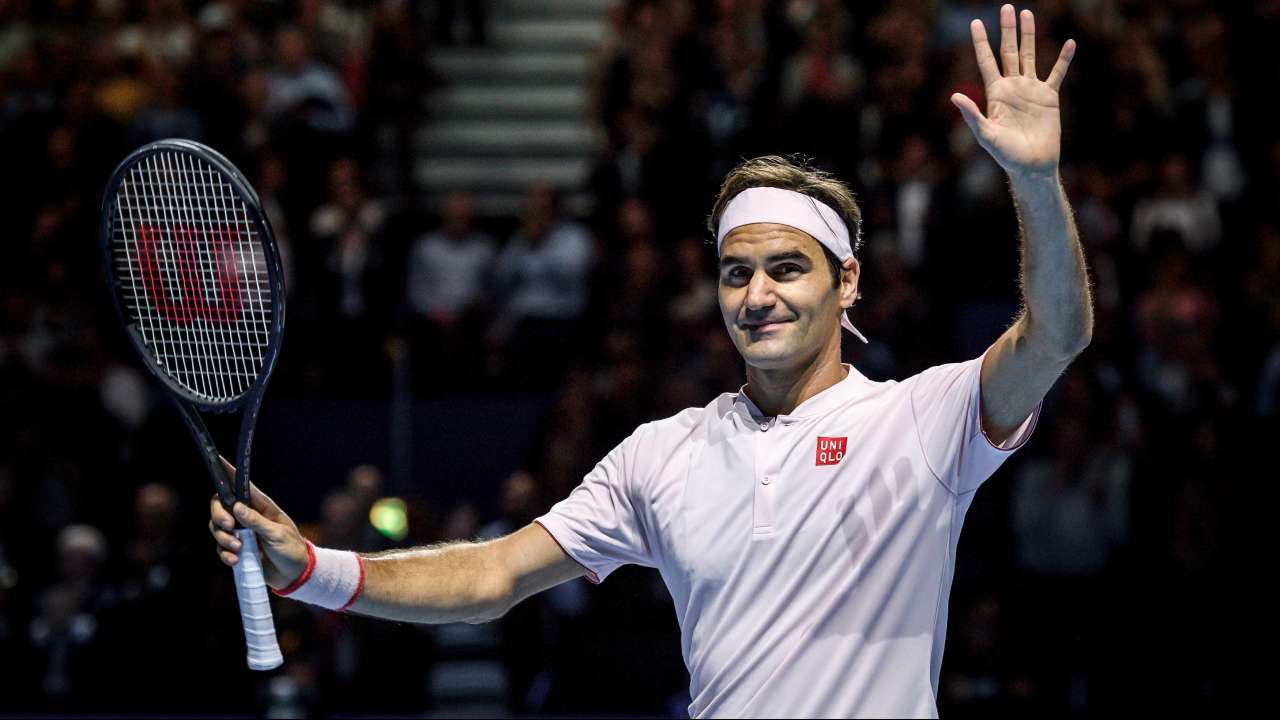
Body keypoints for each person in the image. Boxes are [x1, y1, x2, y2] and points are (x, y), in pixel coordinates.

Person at [209, 6, 1090, 716]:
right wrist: (313, 572)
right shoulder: (660, 454)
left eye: (788, 268)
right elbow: (494, 574)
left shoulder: (922, 420)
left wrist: (1036, 183)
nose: (757, 294)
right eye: (736, 272)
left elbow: (1054, 336)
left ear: (846, 282)